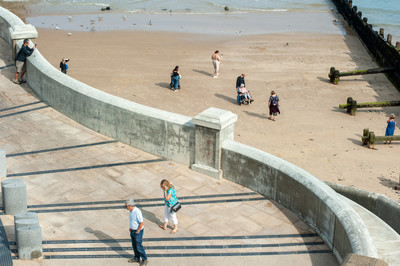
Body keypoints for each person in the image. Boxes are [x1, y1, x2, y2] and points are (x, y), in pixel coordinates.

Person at [125, 199, 148, 265]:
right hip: (132, 230)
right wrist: (131, 228)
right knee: (134, 245)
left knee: (138, 245)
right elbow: (133, 220)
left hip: (138, 231)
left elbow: (141, 222)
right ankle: (136, 258)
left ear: (129, 206)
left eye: (126, 206)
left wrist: (138, 230)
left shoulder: (137, 212)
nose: (125, 207)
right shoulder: (131, 211)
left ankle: (144, 259)